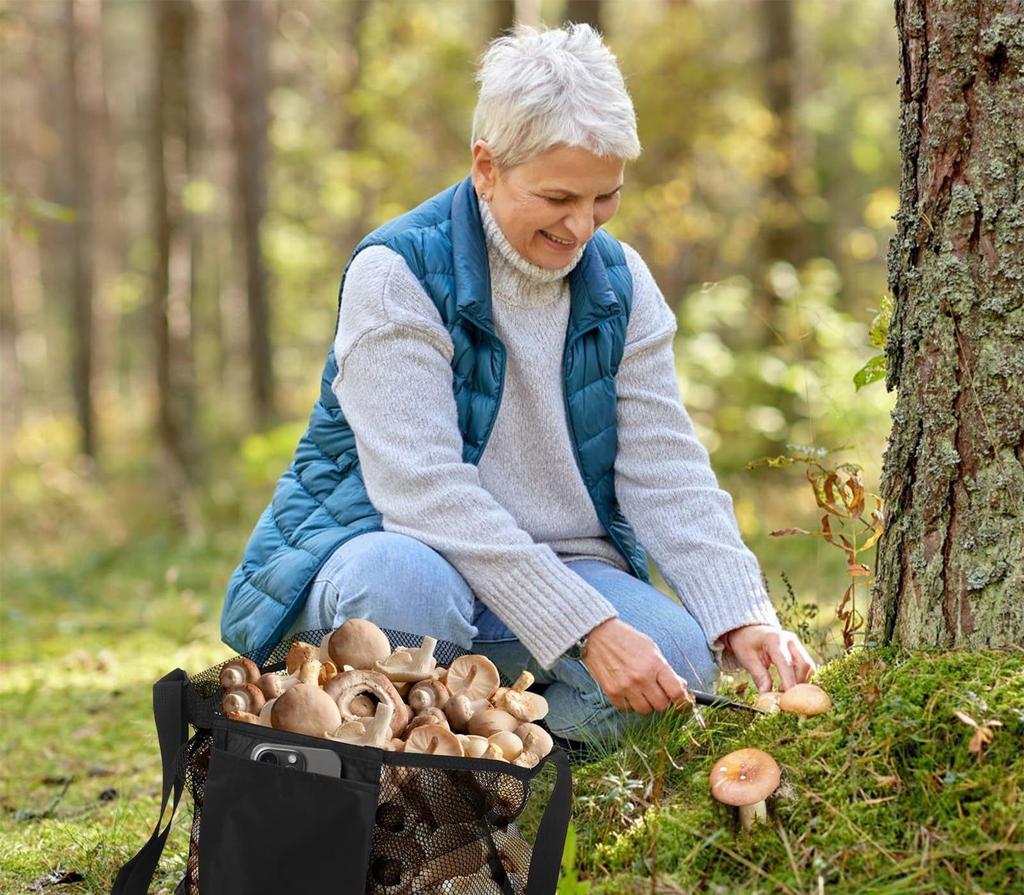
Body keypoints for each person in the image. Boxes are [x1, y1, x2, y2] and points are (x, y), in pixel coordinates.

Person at [220, 23, 816, 750]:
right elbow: (423, 491)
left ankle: (504, 785)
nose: (582, 227)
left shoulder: (622, 284)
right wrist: (590, 630)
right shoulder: (397, 274)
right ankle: (392, 798)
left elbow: (667, 470)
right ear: (486, 168)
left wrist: (741, 614)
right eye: (559, 196)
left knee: (682, 659)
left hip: (560, 568)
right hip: (393, 556)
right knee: (405, 586)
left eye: (605, 198)